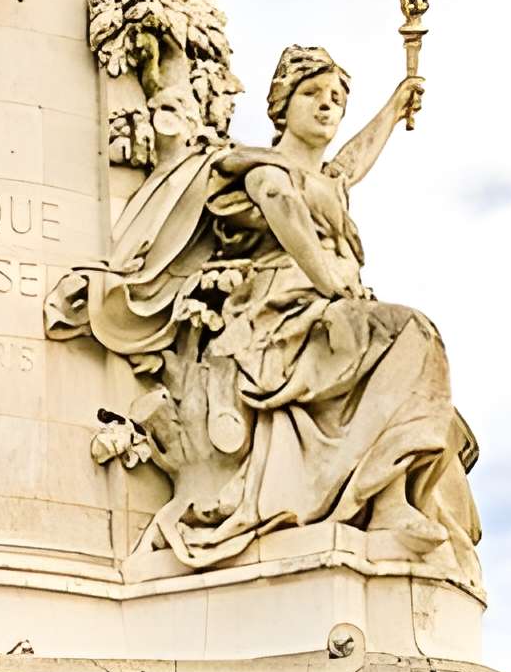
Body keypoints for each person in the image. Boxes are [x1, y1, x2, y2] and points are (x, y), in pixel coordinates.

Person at [48, 42, 481, 577]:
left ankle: (391, 500)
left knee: (419, 368)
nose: (328, 107)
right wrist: (334, 282)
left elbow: (348, 165)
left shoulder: (327, 182)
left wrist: (393, 108)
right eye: (313, 95)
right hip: (278, 314)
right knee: (412, 334)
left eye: (337, 100)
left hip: (327, 312)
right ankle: (387, 501)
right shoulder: (260, 171)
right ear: (282, 106)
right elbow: (282, 208)